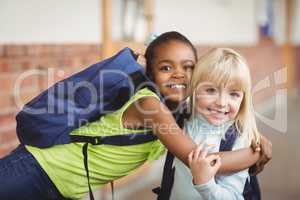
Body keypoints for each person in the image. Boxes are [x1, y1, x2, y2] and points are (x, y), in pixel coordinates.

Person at [0, 32, 271, 200]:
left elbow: (209, 112)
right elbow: (199, 160)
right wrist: (255, 154)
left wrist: (255, 136)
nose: (178, 74)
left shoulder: (179, 112)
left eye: (188, 68)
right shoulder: (150, 108)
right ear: (150, 74)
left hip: (61, 189)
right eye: (166, 68)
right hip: (33, 170)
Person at [170, 47, 264, 200]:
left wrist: (206, 183)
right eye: (211, 90)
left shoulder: (239, 139)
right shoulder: (184, 117)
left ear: (243, 99)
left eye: (233, 94)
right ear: (194, 90)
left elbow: (234, 196)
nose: (221, 102)